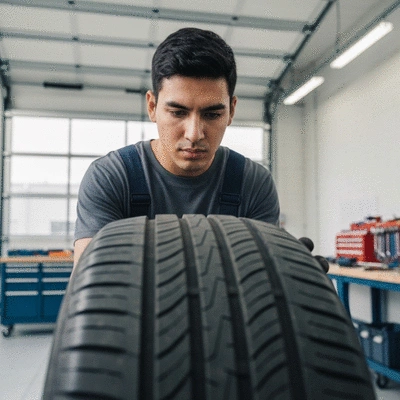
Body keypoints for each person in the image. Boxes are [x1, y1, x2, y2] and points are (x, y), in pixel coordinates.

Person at [74, 27, 280, 266]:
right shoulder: (111, 178)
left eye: (212, 114)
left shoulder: (253, 184)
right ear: (152, 107)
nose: (194, 134)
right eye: (177, 112)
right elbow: (88, 285)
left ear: (231, 110)